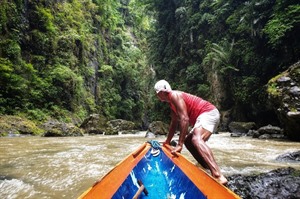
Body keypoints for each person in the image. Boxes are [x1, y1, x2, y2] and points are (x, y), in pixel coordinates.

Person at [154, 79, 228, 185]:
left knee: (196, 139)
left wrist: (179, 145)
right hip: (205, 115)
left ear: (161, 92)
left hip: (208, 113)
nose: (157, 96)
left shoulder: (174, 95)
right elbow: (174, 123)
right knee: (189, 142)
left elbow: (184, 119)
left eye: (157, 93)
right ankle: (207, 168)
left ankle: (218, 175)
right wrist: (167, 141)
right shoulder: (172, 103)